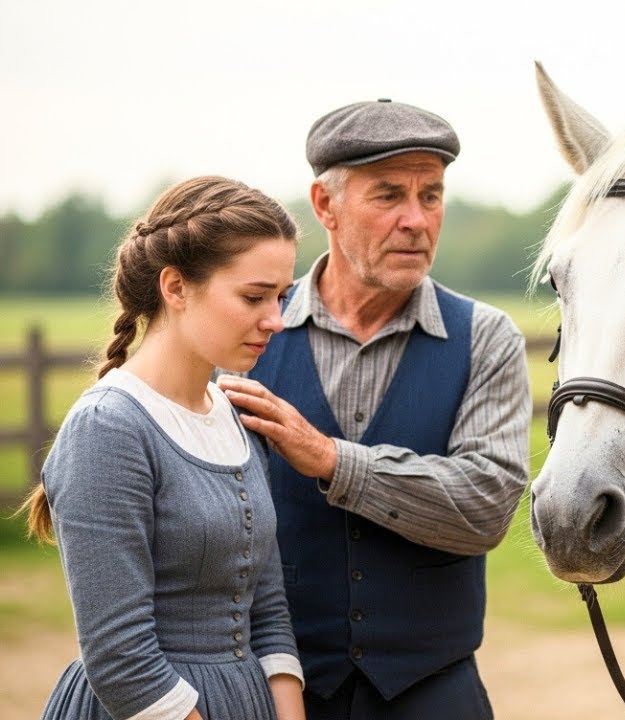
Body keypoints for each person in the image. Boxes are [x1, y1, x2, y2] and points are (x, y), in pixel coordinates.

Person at [215, 98, 530, 720]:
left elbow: (487, 505)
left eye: (431, 196)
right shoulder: (248, 334)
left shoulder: (486, 338)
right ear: (325, 205)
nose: (416, 220)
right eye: (388, 196)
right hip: (276, 690)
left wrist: (331, 459)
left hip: (434, 690)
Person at [21, 176, 304, 720]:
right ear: (175, 287)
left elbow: (266, 609)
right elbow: (121, 658)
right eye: (254, 296)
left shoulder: (235, 415)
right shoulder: (109, 428)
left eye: (281, 296)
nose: (276, 319)